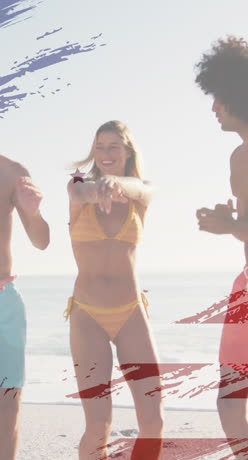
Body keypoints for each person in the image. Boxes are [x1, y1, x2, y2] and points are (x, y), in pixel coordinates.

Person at [66, 120, 163, 460]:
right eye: (100, 147)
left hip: (131, 312)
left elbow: (145, 189)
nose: (105, 154)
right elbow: (79, 192)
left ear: (127, 152)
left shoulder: (140, 193)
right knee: (98, 424)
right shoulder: (78, 183)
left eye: (113, 147)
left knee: (153, 421)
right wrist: (102, 185)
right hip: (87, 315)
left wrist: (119, 183)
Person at [0, 82, 50, 460]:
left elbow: (41, 242)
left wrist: (34, 210)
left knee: (8, 414)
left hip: (3, 310)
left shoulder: (12, 171)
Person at [195, 37, 248, 447]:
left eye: (217, 97)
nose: (213, 107)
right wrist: (230, 223)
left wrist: (229, 224)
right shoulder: (238, 157)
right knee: (230, 400)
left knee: (231, 401)